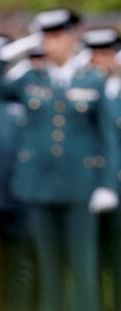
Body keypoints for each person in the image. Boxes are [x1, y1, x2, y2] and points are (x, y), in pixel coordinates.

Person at [0, 8, 118, 311]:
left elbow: (107, 136)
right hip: (37, 186)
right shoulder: (30, 78)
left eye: (57, 36)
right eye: (46, 37)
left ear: (72, 38)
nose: (50, 43)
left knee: (83, 266)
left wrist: (108, 184)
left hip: (80, 187)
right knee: (48, 268)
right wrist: (8, 55)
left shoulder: (93, 80)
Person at [82, 27, 121, 311]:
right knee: (90, 262)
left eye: (105, 53)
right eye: (94, 54)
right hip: (88, 187)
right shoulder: (82, 91)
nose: (99, 60)